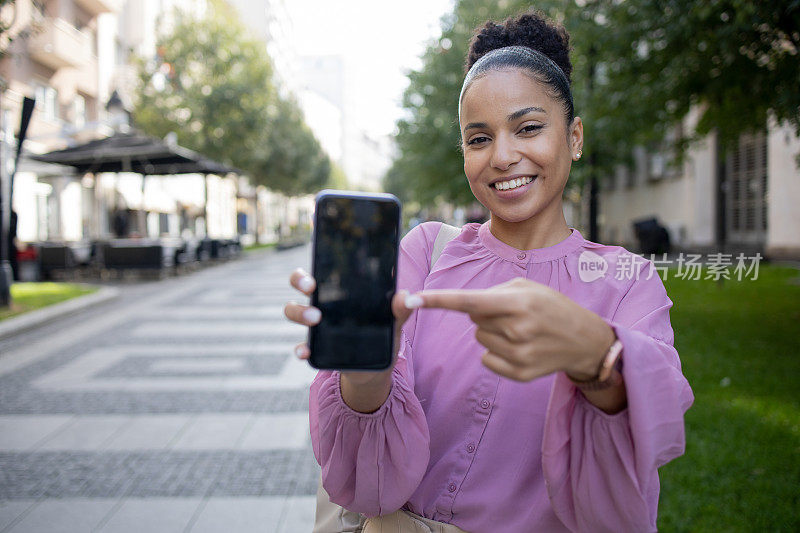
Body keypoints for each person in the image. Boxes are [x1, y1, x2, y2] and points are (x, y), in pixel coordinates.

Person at [284, 10, 693, 532]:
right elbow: (370, 482)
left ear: (573, 137)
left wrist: (596, 357)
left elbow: (639, 449)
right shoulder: (426, 252)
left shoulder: (625, 280)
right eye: (478, 139)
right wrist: (366, 375)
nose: (502, 156)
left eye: (528, 128)